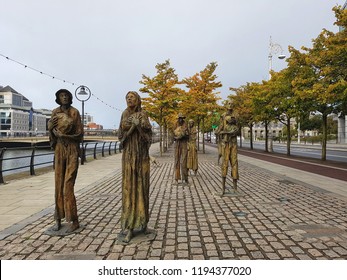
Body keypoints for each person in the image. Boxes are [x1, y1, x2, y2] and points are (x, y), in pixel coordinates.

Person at [118, 91, 152, 243]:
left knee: (142, 187)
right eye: (127, 97)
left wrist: (139, 127)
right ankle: (130, 225)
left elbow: (148, 138)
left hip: (141, 157)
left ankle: (142, 222)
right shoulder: (124, 114)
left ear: (138, 100)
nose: (129, 99)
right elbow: (121, 136)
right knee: (129, 188)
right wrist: (130, 129)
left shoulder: (143, 114)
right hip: (129, 156)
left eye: (132, 97)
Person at [48, 89, 83, 233]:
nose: (64, 97)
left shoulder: (75, 112)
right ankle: (58, 219)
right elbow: (53, 134)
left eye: (67, 95)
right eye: (62, 96)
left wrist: (65, 136)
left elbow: (80, 135)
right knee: (58, 184)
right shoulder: (55, 112)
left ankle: (74, 220)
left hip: (72, 150)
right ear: (58, 98)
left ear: (70, 98)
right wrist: (50, 129)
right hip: (60, 150)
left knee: (68, 185)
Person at [219, 100, 239, 194]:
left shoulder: (236, 115)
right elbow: (220, 129)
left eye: (232, 103)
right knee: (224, 163)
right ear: (226, 105)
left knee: (234, 163)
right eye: (229, 103)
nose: (231, 105)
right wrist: (219, 132)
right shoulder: (223, 116)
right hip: (225, 143)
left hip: (233, 143)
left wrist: (227, 131)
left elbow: (237, 128)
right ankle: (223, 188)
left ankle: (235, 187)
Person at [173, 113, 189, 185]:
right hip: (177, 144)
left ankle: (185, 178)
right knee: (176, 161)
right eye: (179, 118)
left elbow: (188, 136)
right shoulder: (175, 124)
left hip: (184, 143)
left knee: (184, 161)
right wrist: (176, 137)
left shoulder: (186, 125)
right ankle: (176, 178)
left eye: (182, 118)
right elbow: (172, 135)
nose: (180, 119)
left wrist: (183, 136)